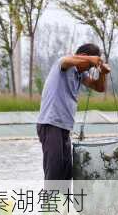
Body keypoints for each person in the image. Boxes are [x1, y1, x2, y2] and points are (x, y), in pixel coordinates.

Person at [36, 43, 111, 181]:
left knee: (65, 173)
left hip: (65, 128)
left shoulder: (80, 74)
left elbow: (99, 87)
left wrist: (102, 73)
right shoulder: (64, 65)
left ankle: (62, 202)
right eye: (88, 66)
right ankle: (50, 203)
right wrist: (91, 60)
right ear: (82, 56)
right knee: (54, 173)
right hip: (51, 124)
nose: (88, 69)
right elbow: (67, 61)